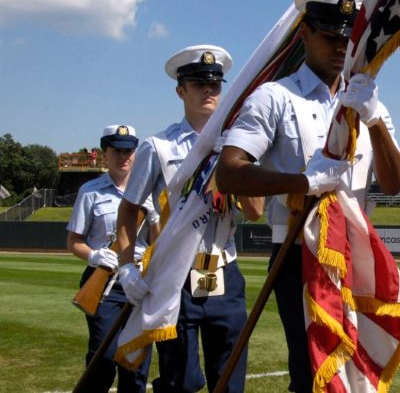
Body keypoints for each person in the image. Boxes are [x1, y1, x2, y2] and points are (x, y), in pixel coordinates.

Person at [216, 0, 400, 392]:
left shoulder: (367, 101)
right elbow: (229, 172)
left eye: (347, 39)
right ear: (305, 34)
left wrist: (373, 119)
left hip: (356, 255)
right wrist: (302, 181)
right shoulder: (274, 97)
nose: (340, 47)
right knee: (313, 376)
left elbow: (394, 183)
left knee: (357, 378)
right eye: (329, 36)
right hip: (300, 252)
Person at [116, 45, 263, 393]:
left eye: (215, 83)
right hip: (175, 276)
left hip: (225, 273)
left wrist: (234, 158)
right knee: (180, 382)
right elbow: (128, 212)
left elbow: (255, 211)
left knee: (229, 382)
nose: (209, 91)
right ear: (181, 90)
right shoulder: (158, 146)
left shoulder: (237, 146)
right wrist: (126, 266)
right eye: (199, 84)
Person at [66, 125, 159, 393]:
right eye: (117, 150)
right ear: (104, 154)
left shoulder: (149, 192)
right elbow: (73, 241)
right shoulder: (90, 191)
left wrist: (153, 217)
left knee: (135, 363)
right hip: (105, 284)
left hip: (139, 283)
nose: (124, 157)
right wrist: (93, 255)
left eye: (129, 151)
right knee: (103, 357)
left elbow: (157, 242)